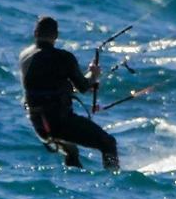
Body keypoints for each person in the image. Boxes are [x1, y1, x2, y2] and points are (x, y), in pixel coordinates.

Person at [19, 16, 120, 171]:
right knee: (108, 143)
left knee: (71, 151)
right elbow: (83, 87)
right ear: (56, 36)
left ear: (35, 33)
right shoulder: (64, 58)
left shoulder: (24, 56)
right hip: (60, 122)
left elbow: (42, 86)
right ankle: (114, 180)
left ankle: (73, 182)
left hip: (38, 123)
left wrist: (67, 89)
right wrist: (93, 74)